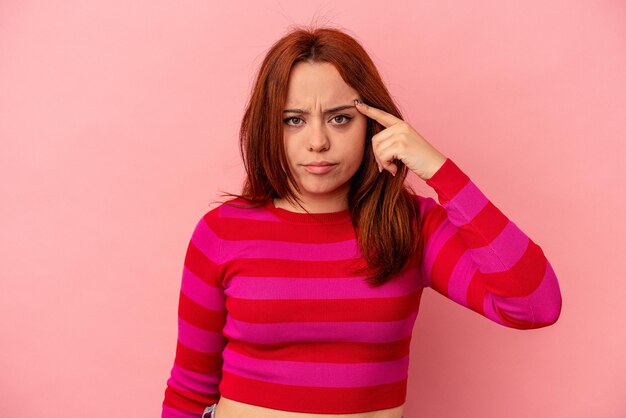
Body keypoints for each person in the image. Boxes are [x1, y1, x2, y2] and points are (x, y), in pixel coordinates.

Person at [161, 25, 562, 418]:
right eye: (294, 120)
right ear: (269, 126)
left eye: (339, 119)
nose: (317, 141)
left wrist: (440, 171)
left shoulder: (410, 227)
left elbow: (534, 305)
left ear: (374, 122)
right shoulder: (221, 232)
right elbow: (189, 388)